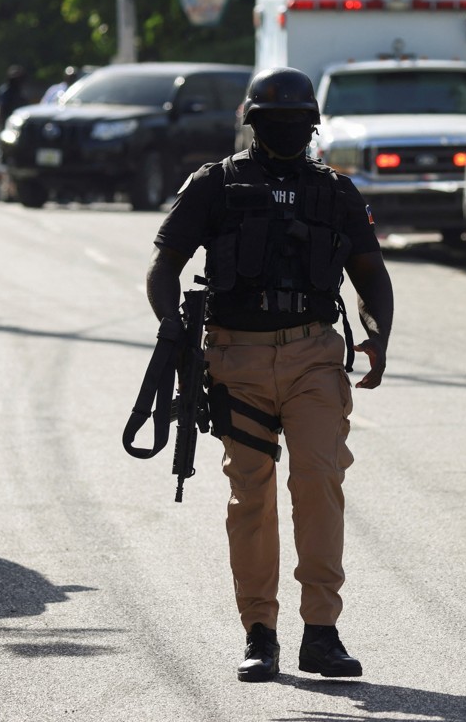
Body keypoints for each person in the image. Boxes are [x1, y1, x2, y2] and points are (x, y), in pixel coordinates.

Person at [145, 67, 395, 683]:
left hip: (313, 355)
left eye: (297, 122)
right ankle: (260, 633)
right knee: (250, 493)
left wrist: (378, 336)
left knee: (318, 481)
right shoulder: (215, 185)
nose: (287, 131)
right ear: (252, 125)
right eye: (273, 121)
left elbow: (372, 275)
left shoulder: (335, 191)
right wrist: (171, 327)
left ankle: (321, 633)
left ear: (312, 125)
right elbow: (164, 266)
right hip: (237, 360)